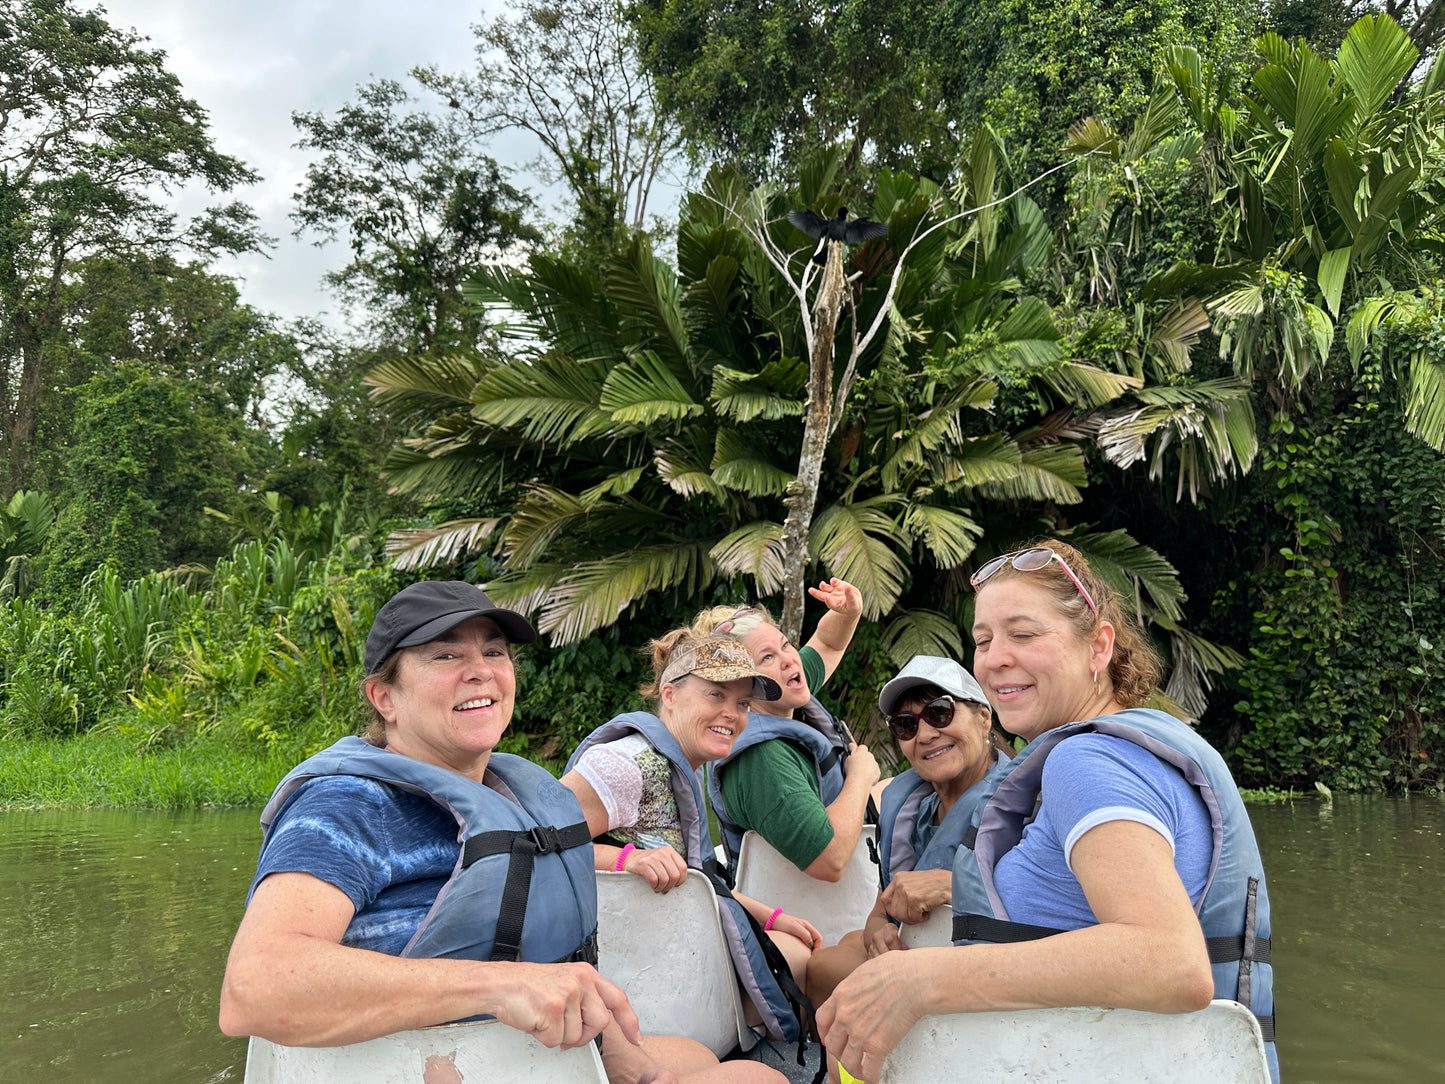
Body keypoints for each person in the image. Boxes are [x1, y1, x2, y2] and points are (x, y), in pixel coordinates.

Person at [219, 580, 783, 1084]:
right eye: (445, 654)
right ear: (384, 697)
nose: (481, 670)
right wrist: (501, 985)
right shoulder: (347, 805)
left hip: (534, 1054)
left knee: (701, 1060)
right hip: (442, 1061)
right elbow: (255, 986)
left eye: (494, 651)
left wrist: (623, 1057)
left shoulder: (514, 795)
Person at [816, 542, 1277, 1084]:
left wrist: (921, 980)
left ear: (1098, 646)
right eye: (983, 641)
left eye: (1024, 634)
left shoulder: (1089, 763)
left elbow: (1171, 961)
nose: (995, 658)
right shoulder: (1115, 751)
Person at [561, 632, 824, 1044]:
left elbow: (702, 878)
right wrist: (624, 862)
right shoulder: (628, 764)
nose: (732, 714)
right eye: (715, 695)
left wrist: (772, 917)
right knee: (800, 961)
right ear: (670, 694)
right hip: (641, 984)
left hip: (673, 960)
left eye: (741, 703)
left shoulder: (684, 764)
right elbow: (539, 846)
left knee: (796, 946)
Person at [804, 655, 1009, 1006]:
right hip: (915, 955)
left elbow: (1038, 909)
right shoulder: (913, 809)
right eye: (906, 725)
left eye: (940, 712)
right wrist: (878, 935)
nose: (926, 734)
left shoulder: (1021, 806)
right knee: (837, 951)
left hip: (984, 977)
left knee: (823, 966)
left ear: (984, 719)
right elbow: (882, 908)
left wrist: (950, 884)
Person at [698, 580, 882, 881]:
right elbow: (829, 860)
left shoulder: (781, 690)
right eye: (767, 658)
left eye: (785, 645)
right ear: (742, 685)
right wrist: (861, 775)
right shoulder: (762, 761)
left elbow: (828, 644)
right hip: (812, 910)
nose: (788, 660)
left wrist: (849, 611)